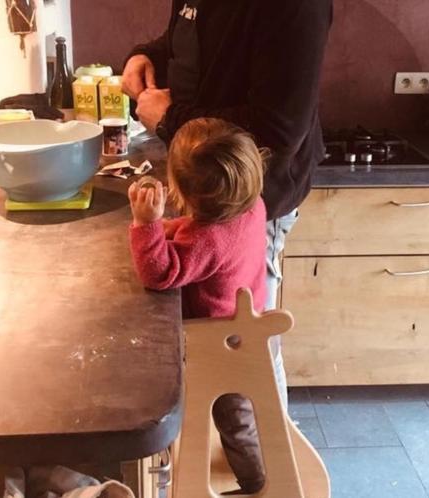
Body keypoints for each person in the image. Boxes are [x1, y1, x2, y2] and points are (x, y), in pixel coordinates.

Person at [128, 118, 268, 494]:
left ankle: (258, 486)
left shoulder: (208, 240)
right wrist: (169, 228)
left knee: (235, 419)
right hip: (244, 326)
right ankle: (256, 472)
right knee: (241, 415)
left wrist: (147, 225)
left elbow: (161, 273)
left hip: (221, 343)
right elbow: (196, 231)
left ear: (177, 187)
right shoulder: (252, 207)